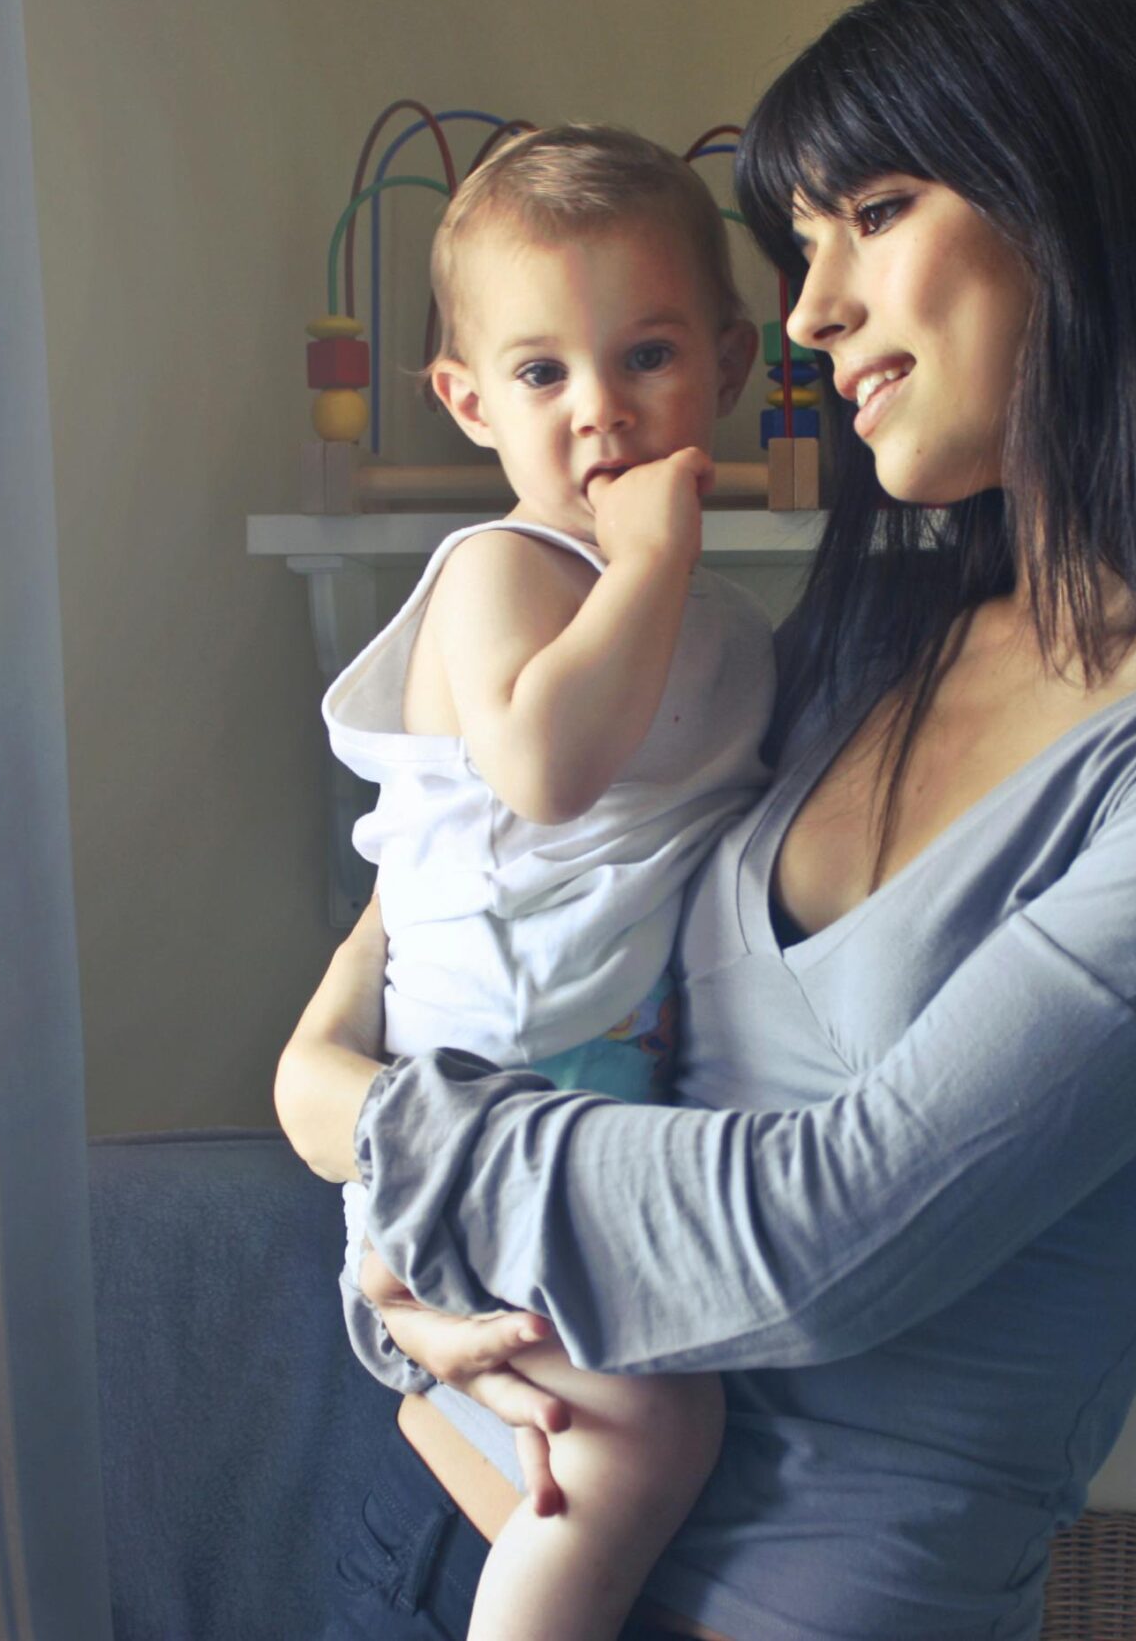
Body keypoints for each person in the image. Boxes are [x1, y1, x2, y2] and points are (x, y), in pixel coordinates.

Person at [279, 0, 1136, 1637]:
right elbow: (473, 878)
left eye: (872, 212)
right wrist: (372, 1206)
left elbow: (825, 1236)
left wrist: (364, 1124)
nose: (806, 313)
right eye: (798, 247)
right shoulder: (881, 637)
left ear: (1091, 198)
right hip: (462, 1508)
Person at [284, 124, 776, 1641]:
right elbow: (550, 768)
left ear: (731, 365)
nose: (602, 414)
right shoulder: (503, 569)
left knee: (629, 1440)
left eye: (646, 357)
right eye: (545, 373)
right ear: (467, 398)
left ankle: (456, 1437)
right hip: (477, 1094)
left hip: (596, 1090)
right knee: (655, 1435)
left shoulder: (723, 626)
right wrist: (645, 564)